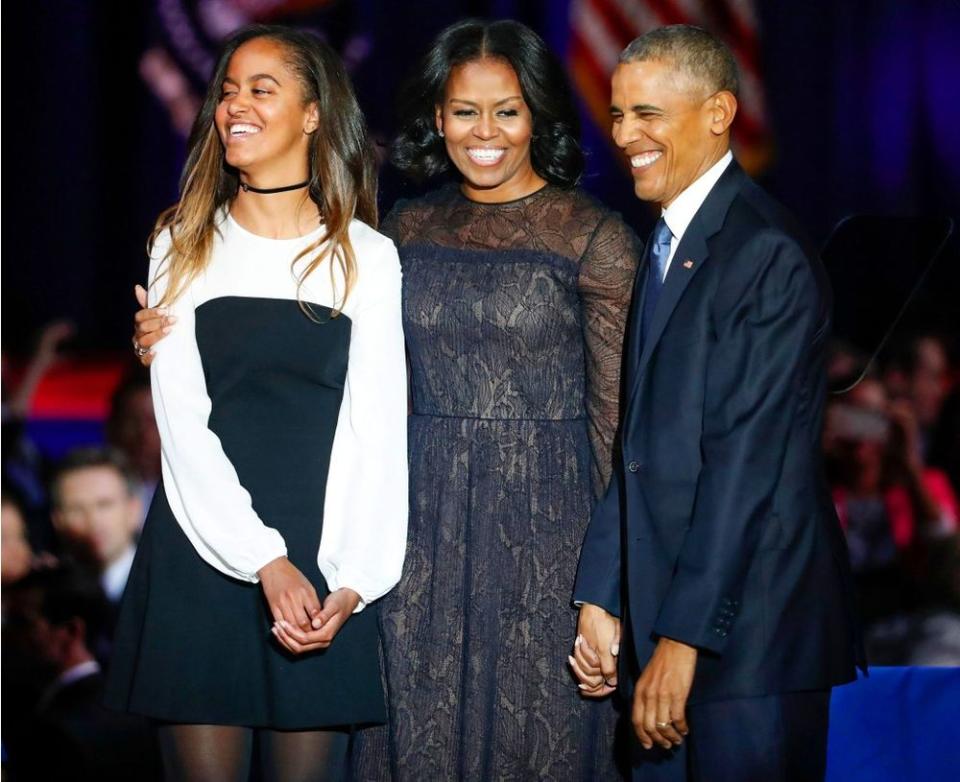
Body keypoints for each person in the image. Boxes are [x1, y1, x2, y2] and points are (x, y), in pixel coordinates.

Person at [134, 18, 640, 780]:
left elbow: (615, 427)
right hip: (335, 544)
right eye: (464, 110)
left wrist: (607, 590)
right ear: (437, 119)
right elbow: (196, 413)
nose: (485, 130)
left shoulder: (393, 249)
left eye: (506, 109)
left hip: (484, 542)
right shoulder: (390, 230)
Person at [107, 24, 408, 781]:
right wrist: (263, 558)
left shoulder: (366, 256)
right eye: (228, 91)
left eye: (261, 89)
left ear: (313, 115)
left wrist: (353, 582)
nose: (234, 105)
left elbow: (376, 431)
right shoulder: (183, 242)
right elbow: (181, 426)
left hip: (322, 563)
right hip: (203, 558)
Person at [570, 25, 863, 781]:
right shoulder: (671, 241)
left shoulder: (763, 252)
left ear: (719, 113)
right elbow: (633, 447)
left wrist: (682, 641)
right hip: (669, 626)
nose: (625, 135)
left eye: (648, 114)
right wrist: (603, 596)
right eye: (618, 115)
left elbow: (744, 469)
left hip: (749, 641)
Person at [4, 565, 162, 782]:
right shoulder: (133, 712)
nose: (6, 636)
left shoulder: (52, 736)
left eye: (22, 623)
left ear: (71, 631)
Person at [50, 447, 142, 605]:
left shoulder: (166, 581)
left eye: (104, 505)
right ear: (57, 520)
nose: (93, 520)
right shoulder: (45, 595)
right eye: (76, 509)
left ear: (133, 510)